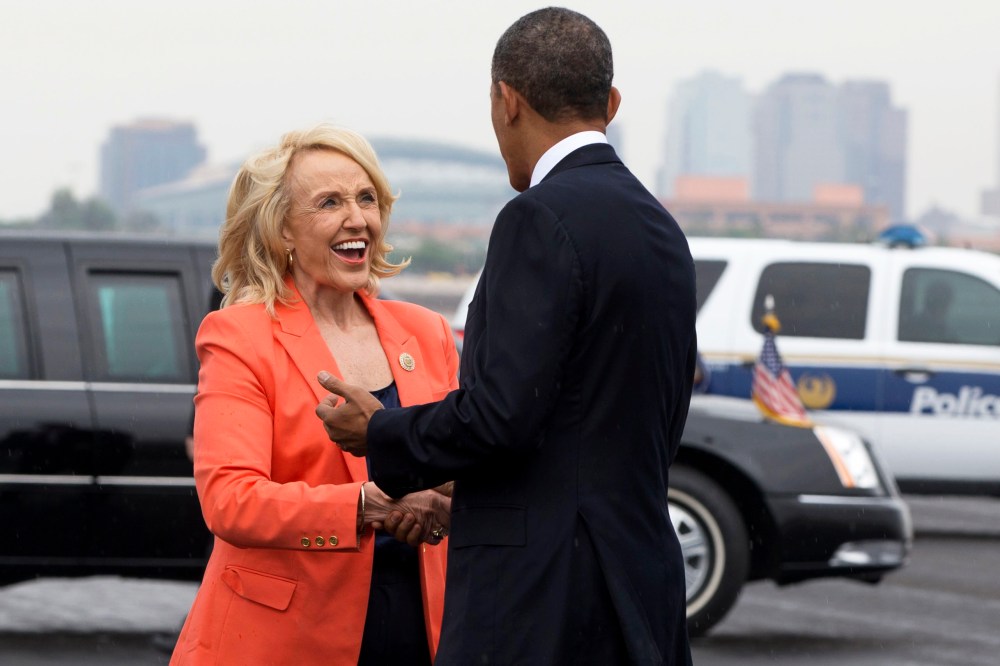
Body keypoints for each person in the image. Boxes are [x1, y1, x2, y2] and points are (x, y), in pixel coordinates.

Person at [316, 8, 697, 665]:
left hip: (541, 596)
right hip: (640, 583)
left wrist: (381, 432)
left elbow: (503, 417)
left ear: (507, 100)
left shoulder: (537, 219)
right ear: (610, 103)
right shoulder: (660, 228)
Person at [170, 124, 459, 666]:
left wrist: (443, 507)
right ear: (281, 228)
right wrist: (369, 507)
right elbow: (231, 500)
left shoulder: (427, 332)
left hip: (423, 629)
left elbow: (472, 466)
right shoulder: (239, 335)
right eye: (330, 202)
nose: (358, 219)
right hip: (283, 639)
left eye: (366, 198)